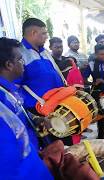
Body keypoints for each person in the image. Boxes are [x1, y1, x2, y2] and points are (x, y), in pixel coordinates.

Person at [0, 37, 53, 179]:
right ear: (9, 65)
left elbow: (20, 116)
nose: (23, 64)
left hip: (33, 155)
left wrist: (36, 120)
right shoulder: (2, 98)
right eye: (20, 60)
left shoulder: (10, 90)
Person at [16, 18, 67, 147]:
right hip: (39, 113)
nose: (46, 37)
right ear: (33, 33)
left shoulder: (45, 52)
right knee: (49, 149)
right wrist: (33, 116)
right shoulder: (20, 54)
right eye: (44, 33)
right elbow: (16, 88)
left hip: (57, 108)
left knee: (64, 148)